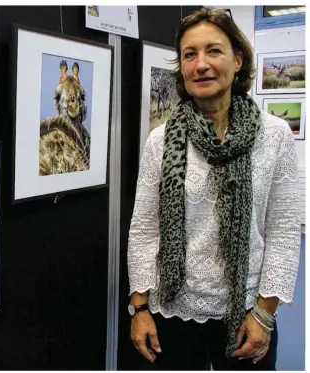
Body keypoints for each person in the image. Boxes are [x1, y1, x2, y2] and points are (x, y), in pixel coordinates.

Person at [127, 7, 301, 371]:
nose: (200, 64)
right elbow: (145, 229)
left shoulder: (274, 137)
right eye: (190, 54)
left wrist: (265, 315)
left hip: (247, 312)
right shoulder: (161, 140)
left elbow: (283, 231)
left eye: (214, 51)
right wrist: (139, 308)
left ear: (238, 60)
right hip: (171, 310)